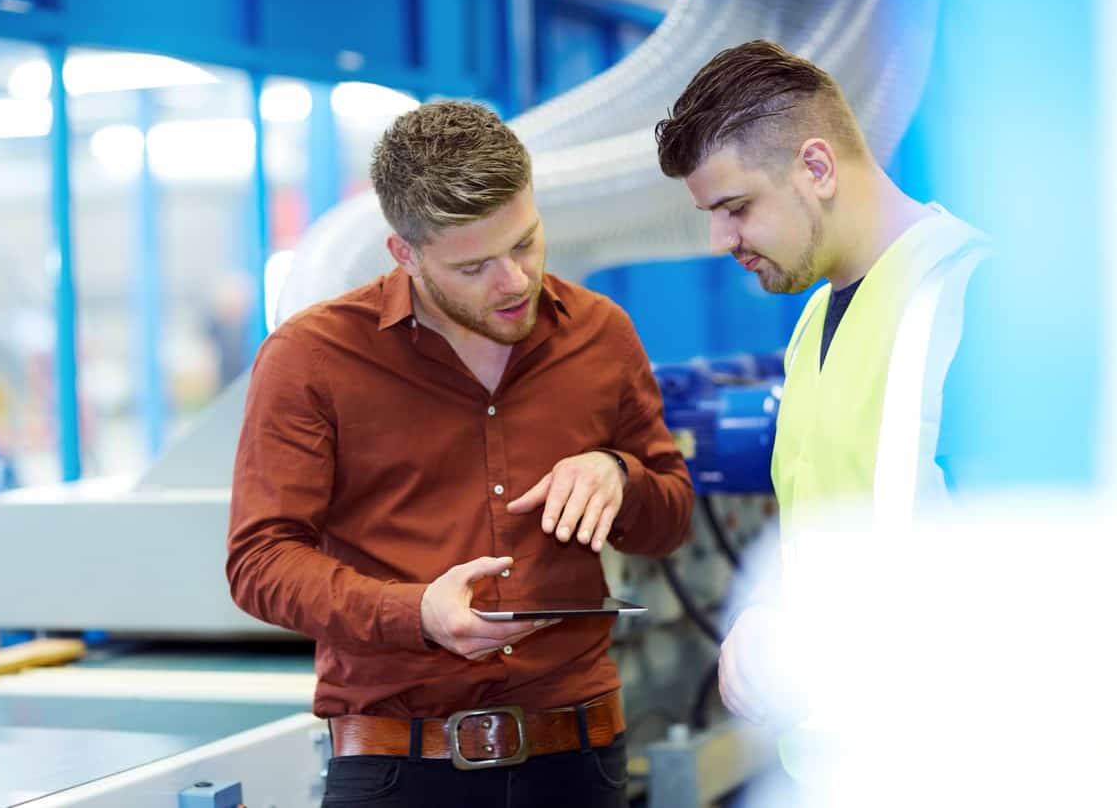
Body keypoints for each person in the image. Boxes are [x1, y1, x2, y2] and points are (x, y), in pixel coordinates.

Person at [228, 100, 693, 808]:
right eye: (474, 266)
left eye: (526, 243)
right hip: (398, 769)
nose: (513, 281)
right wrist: (416, 612)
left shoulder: (602, 335)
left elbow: (673, 516)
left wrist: (619, 478)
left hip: (579, 760)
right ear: (404, 255)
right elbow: (259, 562)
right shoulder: (311, 359)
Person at [655, 41, 989, 761]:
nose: (720, 241)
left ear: (816, 166)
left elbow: (1029, 568)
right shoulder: (812, 321)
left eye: (736, 207)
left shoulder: (976, 302)